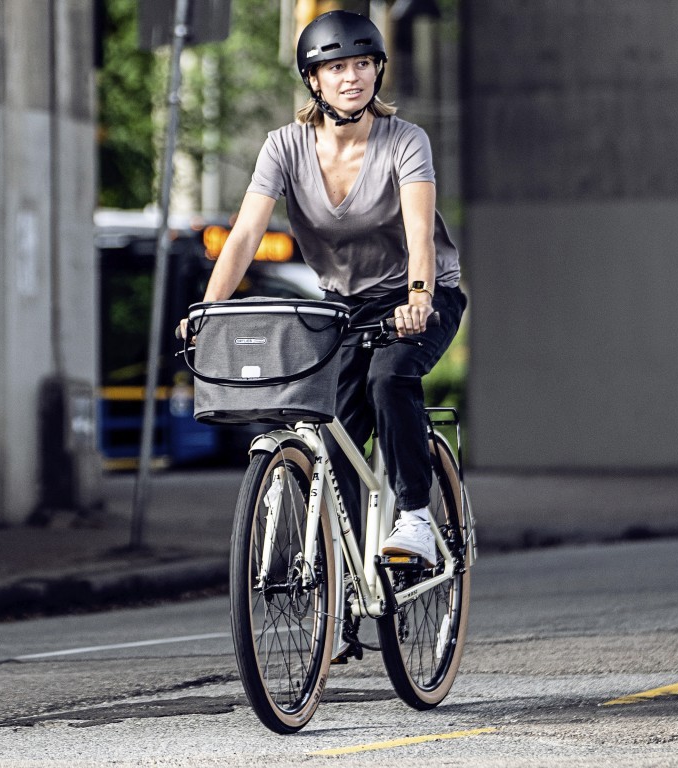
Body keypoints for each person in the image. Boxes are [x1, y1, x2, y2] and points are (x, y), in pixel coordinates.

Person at [182, 10, 466, 566]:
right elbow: (243, 236)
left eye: (363, 64)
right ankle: (347, 592)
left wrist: (418, 299)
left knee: (389, 379)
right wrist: (209, 311)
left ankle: (415, 517)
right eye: (336, 67)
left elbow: (420, 236)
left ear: (377, 72)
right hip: (344, 307)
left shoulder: (405, 141)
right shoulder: (283, 148)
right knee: (329, 432)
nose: (351, 77)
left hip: (420, 294)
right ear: (314, 79)